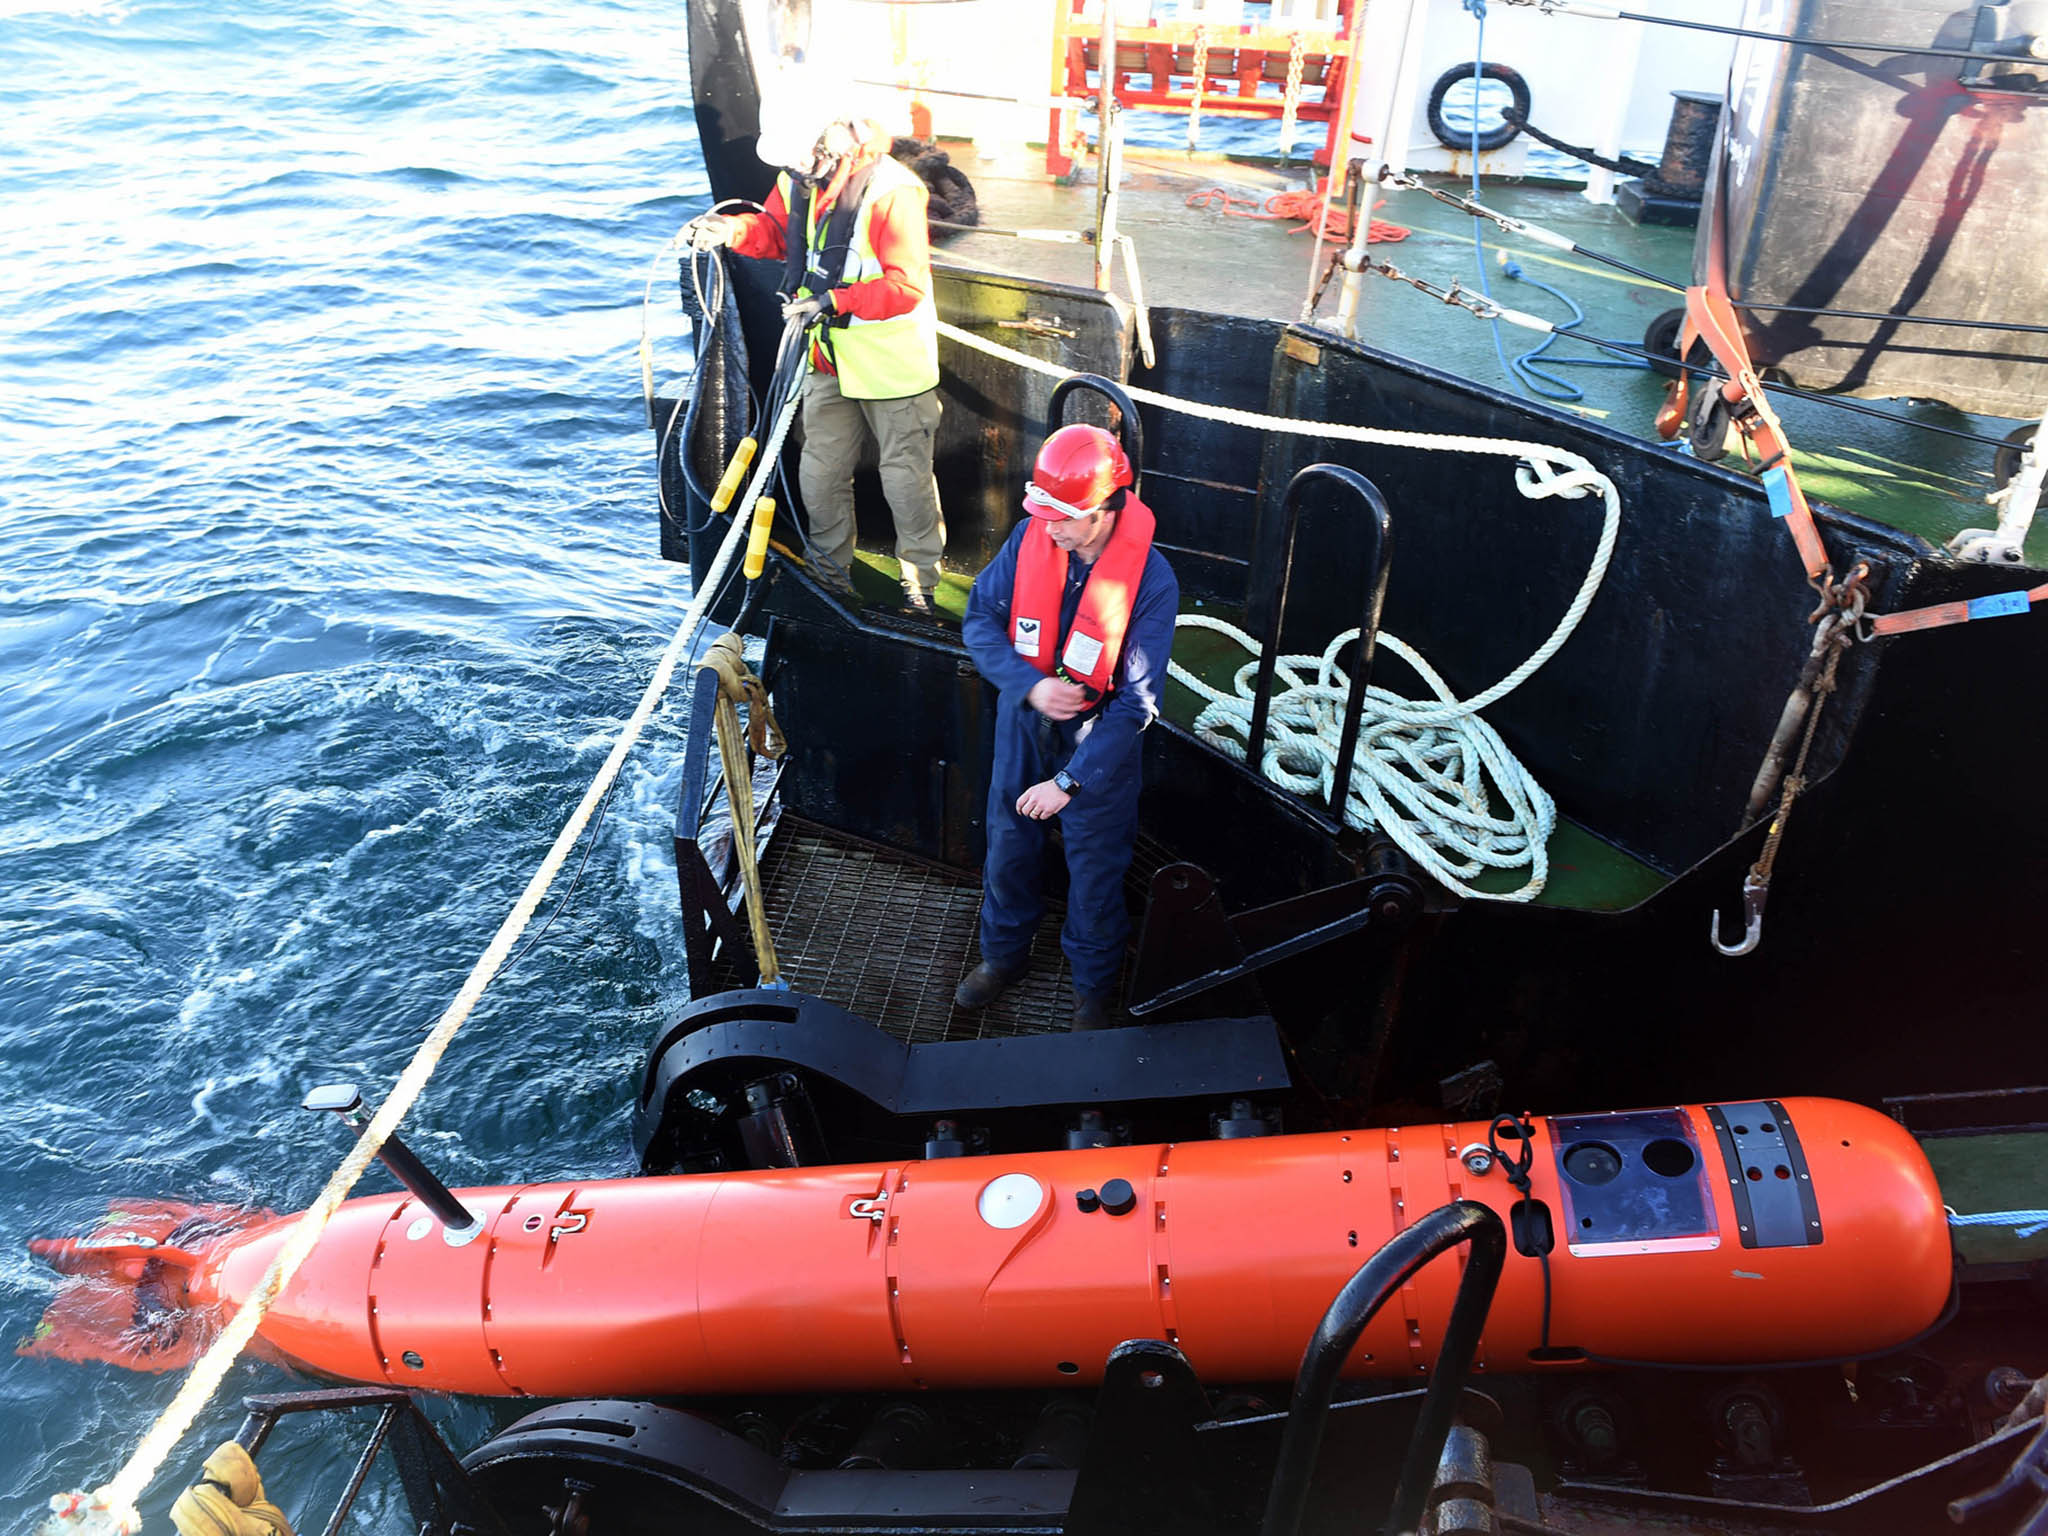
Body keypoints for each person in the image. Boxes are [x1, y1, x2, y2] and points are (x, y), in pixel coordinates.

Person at [685, 88, 945, 612]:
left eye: (802, 153)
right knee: (820, 473)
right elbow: (779, 235)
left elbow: (906, 286)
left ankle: (922, 581)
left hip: (892, 367)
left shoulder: (893, 192)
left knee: (906, 479)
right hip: (828, 360)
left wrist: (833, 301)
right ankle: (832, 577)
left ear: (833, 136)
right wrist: (731, 230)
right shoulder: (797, 179)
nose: (796, 165)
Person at [954, 423, 1178, 1031]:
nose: (1047, 527)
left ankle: (1092, 990)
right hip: (1024, 725)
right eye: (1042, 513)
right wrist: (1029, 685)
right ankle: (1003, 958)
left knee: (1096, 869)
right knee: (1007, 846)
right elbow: (980, 620)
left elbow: (1136, 703)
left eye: (1061, 516)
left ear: (1103, 513)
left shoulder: (1153, 584)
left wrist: (1070, 783)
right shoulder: (1032, 538)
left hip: (1098, 742)